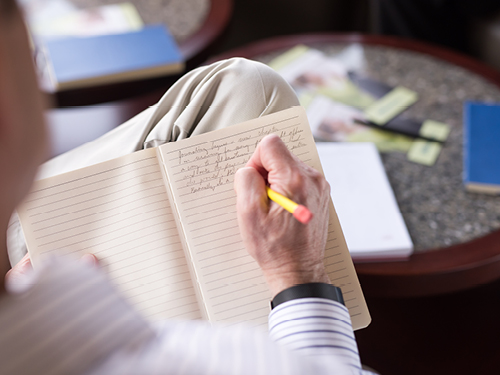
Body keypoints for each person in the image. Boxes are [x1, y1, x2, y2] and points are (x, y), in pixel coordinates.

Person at [0, 0, 374, 374]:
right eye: (35, 60)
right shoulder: (231, 359)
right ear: (8, 117)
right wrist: (298, 272)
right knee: (248, 87)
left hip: (38, 290)